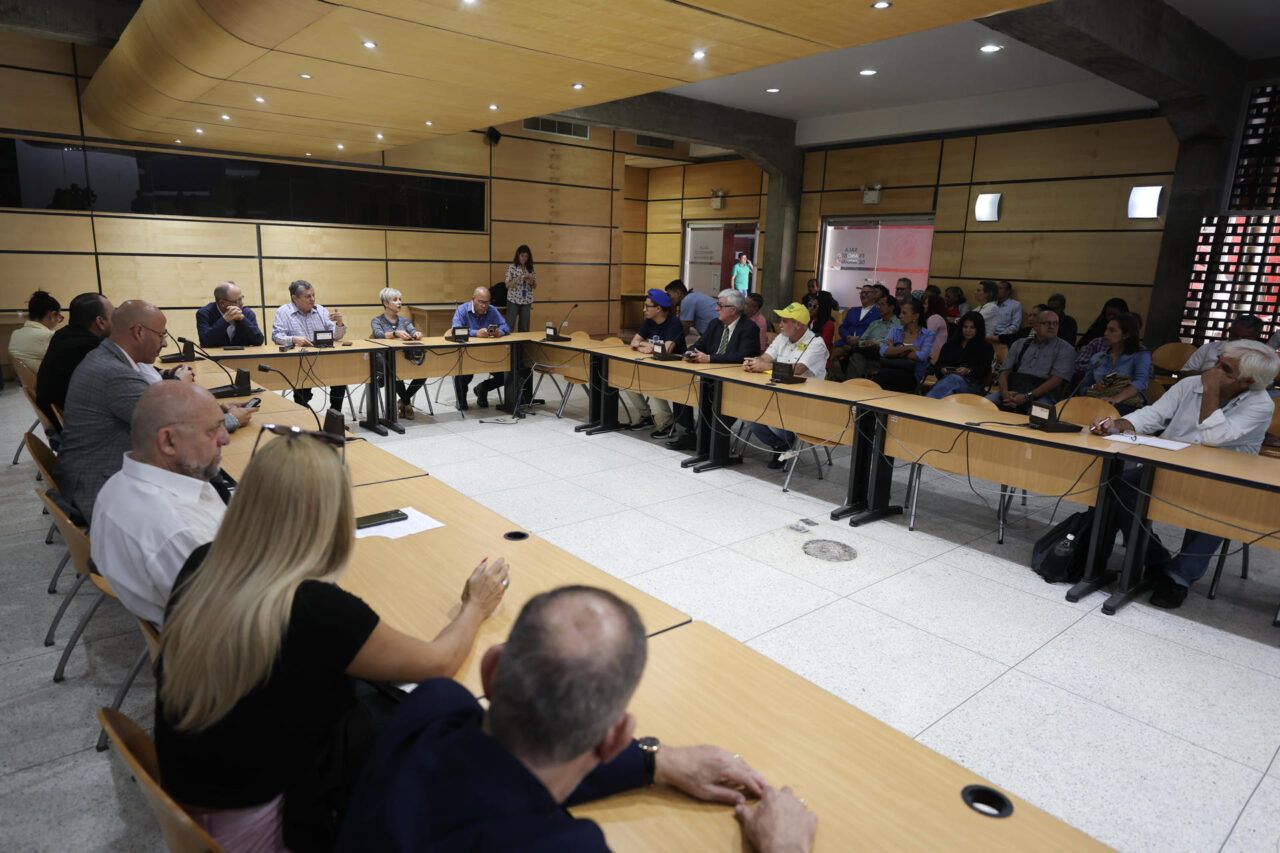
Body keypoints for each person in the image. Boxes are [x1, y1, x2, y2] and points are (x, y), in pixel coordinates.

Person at [155, 432, 512, 851]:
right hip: (266, 826)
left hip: (194, 799)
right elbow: (439, 663)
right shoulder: (313, 607)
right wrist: (475, 605)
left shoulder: (204, 560)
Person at [338, 586, 816, 853]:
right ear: (616, 737)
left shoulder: (432, 707)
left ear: (491, 671)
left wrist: (655, 762)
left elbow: (511, 768)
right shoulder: (569, 847)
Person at [1089, 340, 1280, 609]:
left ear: (1248, 381)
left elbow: (1214, 437)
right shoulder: (1189, 385)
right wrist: (1118, 424)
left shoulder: (1260, 405)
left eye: (1224, 369)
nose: (1212, 370)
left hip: (1223, 480)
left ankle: (1179, 577)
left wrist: (1211, 390)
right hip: (1172, 467)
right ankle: (1154, 559)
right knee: (1122, 486)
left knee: (1218, 510)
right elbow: (1154, 415)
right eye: (1217, 362)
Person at [57, 301, 251, 520]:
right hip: (98, 484)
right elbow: (174, 429)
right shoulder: (115, 373)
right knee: (205, 468)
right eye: (161, 335)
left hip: (97, 470)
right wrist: (230, 419)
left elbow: (170, 413)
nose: (165, 343)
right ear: (139, 332)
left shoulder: (107, 357)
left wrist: (213, 412)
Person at [91, 382, 229, 627]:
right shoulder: (181, 533)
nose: (225, 438)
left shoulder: (118, 485)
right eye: (213, 429)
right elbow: (236, 618)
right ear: (168, 441)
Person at [665, 290, 762, 451]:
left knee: (711, 400)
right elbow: (699, 345)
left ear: (733, 309)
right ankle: (688, 435)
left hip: (732, 381)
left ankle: (711, 443)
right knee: (682, 386)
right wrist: (691, 353)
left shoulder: (749, 328)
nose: (716, 309)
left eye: (720, 305)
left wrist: (710, 358)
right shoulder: (715, 324)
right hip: (709, 375)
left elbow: (743, 356)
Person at [744, 303, 829, 468]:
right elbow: (766, 357)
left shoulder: (816, 343)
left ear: (798, 325)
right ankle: (781, 445)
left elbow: (798, 369)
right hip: (778, 393)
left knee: (768, 416)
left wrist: (765, 366)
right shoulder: (782, 337)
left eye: (784, 321)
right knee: (748, 412)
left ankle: (787, 442)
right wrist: (754, 362)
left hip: (804, 401)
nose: (780, 325)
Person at [36, 292, 113, 426]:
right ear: (100, 322)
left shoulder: (62, 335)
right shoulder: (92, 348)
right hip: (77, 427)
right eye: (114, 317)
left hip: (57, 418)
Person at [271, 280, 348, 411]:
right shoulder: (283, 312)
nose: (312, 299)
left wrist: (339, 323)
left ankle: (335, 414)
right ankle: (304, 414)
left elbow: (336, 336)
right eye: (307, 296)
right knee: (302, 387)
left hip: (325, 360)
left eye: (313, 295)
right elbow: (276, 336)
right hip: (299, 362)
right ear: (295, 298)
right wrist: (294, 339)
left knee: (340, 377)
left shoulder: (320, 310)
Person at [622, 289, 685, 436]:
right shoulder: (649, 321)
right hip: (654, 364)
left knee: (652, 382)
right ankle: (646, 417)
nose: (644, 310)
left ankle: (668, 423)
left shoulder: (674, 323)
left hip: (675, 368)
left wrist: (646, 345)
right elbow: (634, 342)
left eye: (647, 306)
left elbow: (666, 350)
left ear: (658, 308)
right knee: (627, 380)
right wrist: (646, 346)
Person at [986, 309, 1075, 413]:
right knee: (983, 405)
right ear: (1036, 326)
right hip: (1013, 390)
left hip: (1043, 395)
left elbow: (1056, 381)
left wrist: (1026, 397)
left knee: (1038, 416)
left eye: (1055, 323)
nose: (1052, 327)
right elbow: (1004, 372)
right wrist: (1004, 393)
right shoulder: (1019, 344)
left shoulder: (1065, 349)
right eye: (1047, 323)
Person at [1076, 312, 1151, 414]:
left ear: (1125, 335)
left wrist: (1115, 399)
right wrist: (1094, 387)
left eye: (1112, 330)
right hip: (1099, 401)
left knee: (1103, 412)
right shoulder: (1098, 358)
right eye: (1106, 329)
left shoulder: (1140, 355)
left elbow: (1141, 382)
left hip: (1126, 405)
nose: (1106, 333)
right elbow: (1083, 387)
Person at [370, 287, 426, 419]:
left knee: (424, 370)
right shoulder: (377, 320)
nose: (399, 302)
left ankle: (403, 400)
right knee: (393, 369)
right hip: (383, 358)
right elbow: (378, 335)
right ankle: (407, 404)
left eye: (400, 299)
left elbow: (412, 330)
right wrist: (395, 334)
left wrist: (417, 333)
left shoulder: (405, 321)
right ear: (386, 303)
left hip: (403, 356)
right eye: (395, 300)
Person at [450, 286, 509, 410]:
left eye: (487, 302)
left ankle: (483, 388)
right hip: (467, 355)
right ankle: (461, 398)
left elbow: (505, 327)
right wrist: (475, 333)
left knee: (507, 374)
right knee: (463, 374)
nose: (484, 306)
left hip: (490, 355)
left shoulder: (492, 310)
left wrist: (499, 332)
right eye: (481, 302)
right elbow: (456, 330)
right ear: (473, 299)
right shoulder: (462, 310)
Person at [927, 311, 994, 399]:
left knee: (953, 381)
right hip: (947, 380)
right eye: (965, 327)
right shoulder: (951, 344)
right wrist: (942, 370)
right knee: (949, 392)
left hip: (971, 384)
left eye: (972, 327)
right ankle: (930, 403)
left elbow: (983, 370)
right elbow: (939, 364)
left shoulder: (986, 347)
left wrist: (968, 371)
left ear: (979, 329)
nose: (968, 330)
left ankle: (928, 402)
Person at [875, 298, 935, 392]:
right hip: (891, 369)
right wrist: (908, 348)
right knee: (884, 375)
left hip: (912, 375)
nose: (900, 316)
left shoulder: (928, 334)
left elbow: (921, 356)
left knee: (885, 377)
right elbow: (883, 351)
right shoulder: (895, 330)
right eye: (900, 313)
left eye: (904, 313)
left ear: (915, 316)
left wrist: (893, 349)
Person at [1180, 313, 1266, 376]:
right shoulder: (1209, 348)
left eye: (1245, 338)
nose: (1238, 341)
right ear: (1229, 331)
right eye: (1234, 335)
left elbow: (1266, 384)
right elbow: (1182, 375)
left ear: (1256, 338)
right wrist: (1210, 374)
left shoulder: (1262, 357)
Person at [845, 293, 901, 380]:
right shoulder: (875, 323)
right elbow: (861, 339)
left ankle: (850, 382)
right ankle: (853, 383)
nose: (879, 307)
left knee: (855, 354)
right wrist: (865, 342)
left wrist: (876, 344)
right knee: (857, 355)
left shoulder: (898, 324)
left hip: (883, 352)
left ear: (891, 307)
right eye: (878, 305)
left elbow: (895, 343)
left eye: (882, 304)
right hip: (867, 350)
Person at [830, 285, 879, 381]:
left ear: (874, 295)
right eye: (862, 293)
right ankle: (841, 379)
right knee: (828, 355)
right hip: (846, 342)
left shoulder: (878, 313)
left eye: (867, 293)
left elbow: (875, 331)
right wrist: (847, 337)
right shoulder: (852, 311)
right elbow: (842, 327)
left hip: (862, 346)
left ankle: (847, 382)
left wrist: (859, 339)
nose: (863, 295)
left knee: (854, 360)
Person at [196, 281, 264, 348]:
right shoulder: (204, 313)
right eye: (237, 301)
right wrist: (224, 320)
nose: (242, 303)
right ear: (222, 303)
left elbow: (259, 341)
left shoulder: (247, 312)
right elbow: (205, 342)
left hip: (243, 355)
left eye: (241, 298)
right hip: (215, 355)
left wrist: (244, 320)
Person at [9, 290, 62, 370]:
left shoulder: (15, 334)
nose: (58, 321)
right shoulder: (49, 336)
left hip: (24, 378)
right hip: (44, 377)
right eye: (59, 317)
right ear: (52, 315)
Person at [505, 244, 536, 332]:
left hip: (526, 300)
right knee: (510, 325)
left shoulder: (531, 268)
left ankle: (521, 342)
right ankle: (510, 342)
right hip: (513, 300)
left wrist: (530, 280)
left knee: (523, 327)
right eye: (522, 256)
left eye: (526, 256)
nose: (524, 258)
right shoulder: (512, 267)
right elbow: (507, 285)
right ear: (518, 255)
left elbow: (535, 286)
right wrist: (517, 278)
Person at [805, 290, 838, 356]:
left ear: (822, 308)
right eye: (810, 305)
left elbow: (821, 345)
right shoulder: (809, 321)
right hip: (807, 352)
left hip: (820, 356)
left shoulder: (829, 325)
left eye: (814, 306)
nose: (811, 308)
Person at [921, 292, 948, 358]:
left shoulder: (934, 318)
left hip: (933, 356)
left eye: (925, 304)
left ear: (932, 306)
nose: (923, 306)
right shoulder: (937, 317)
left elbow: (927, 337)